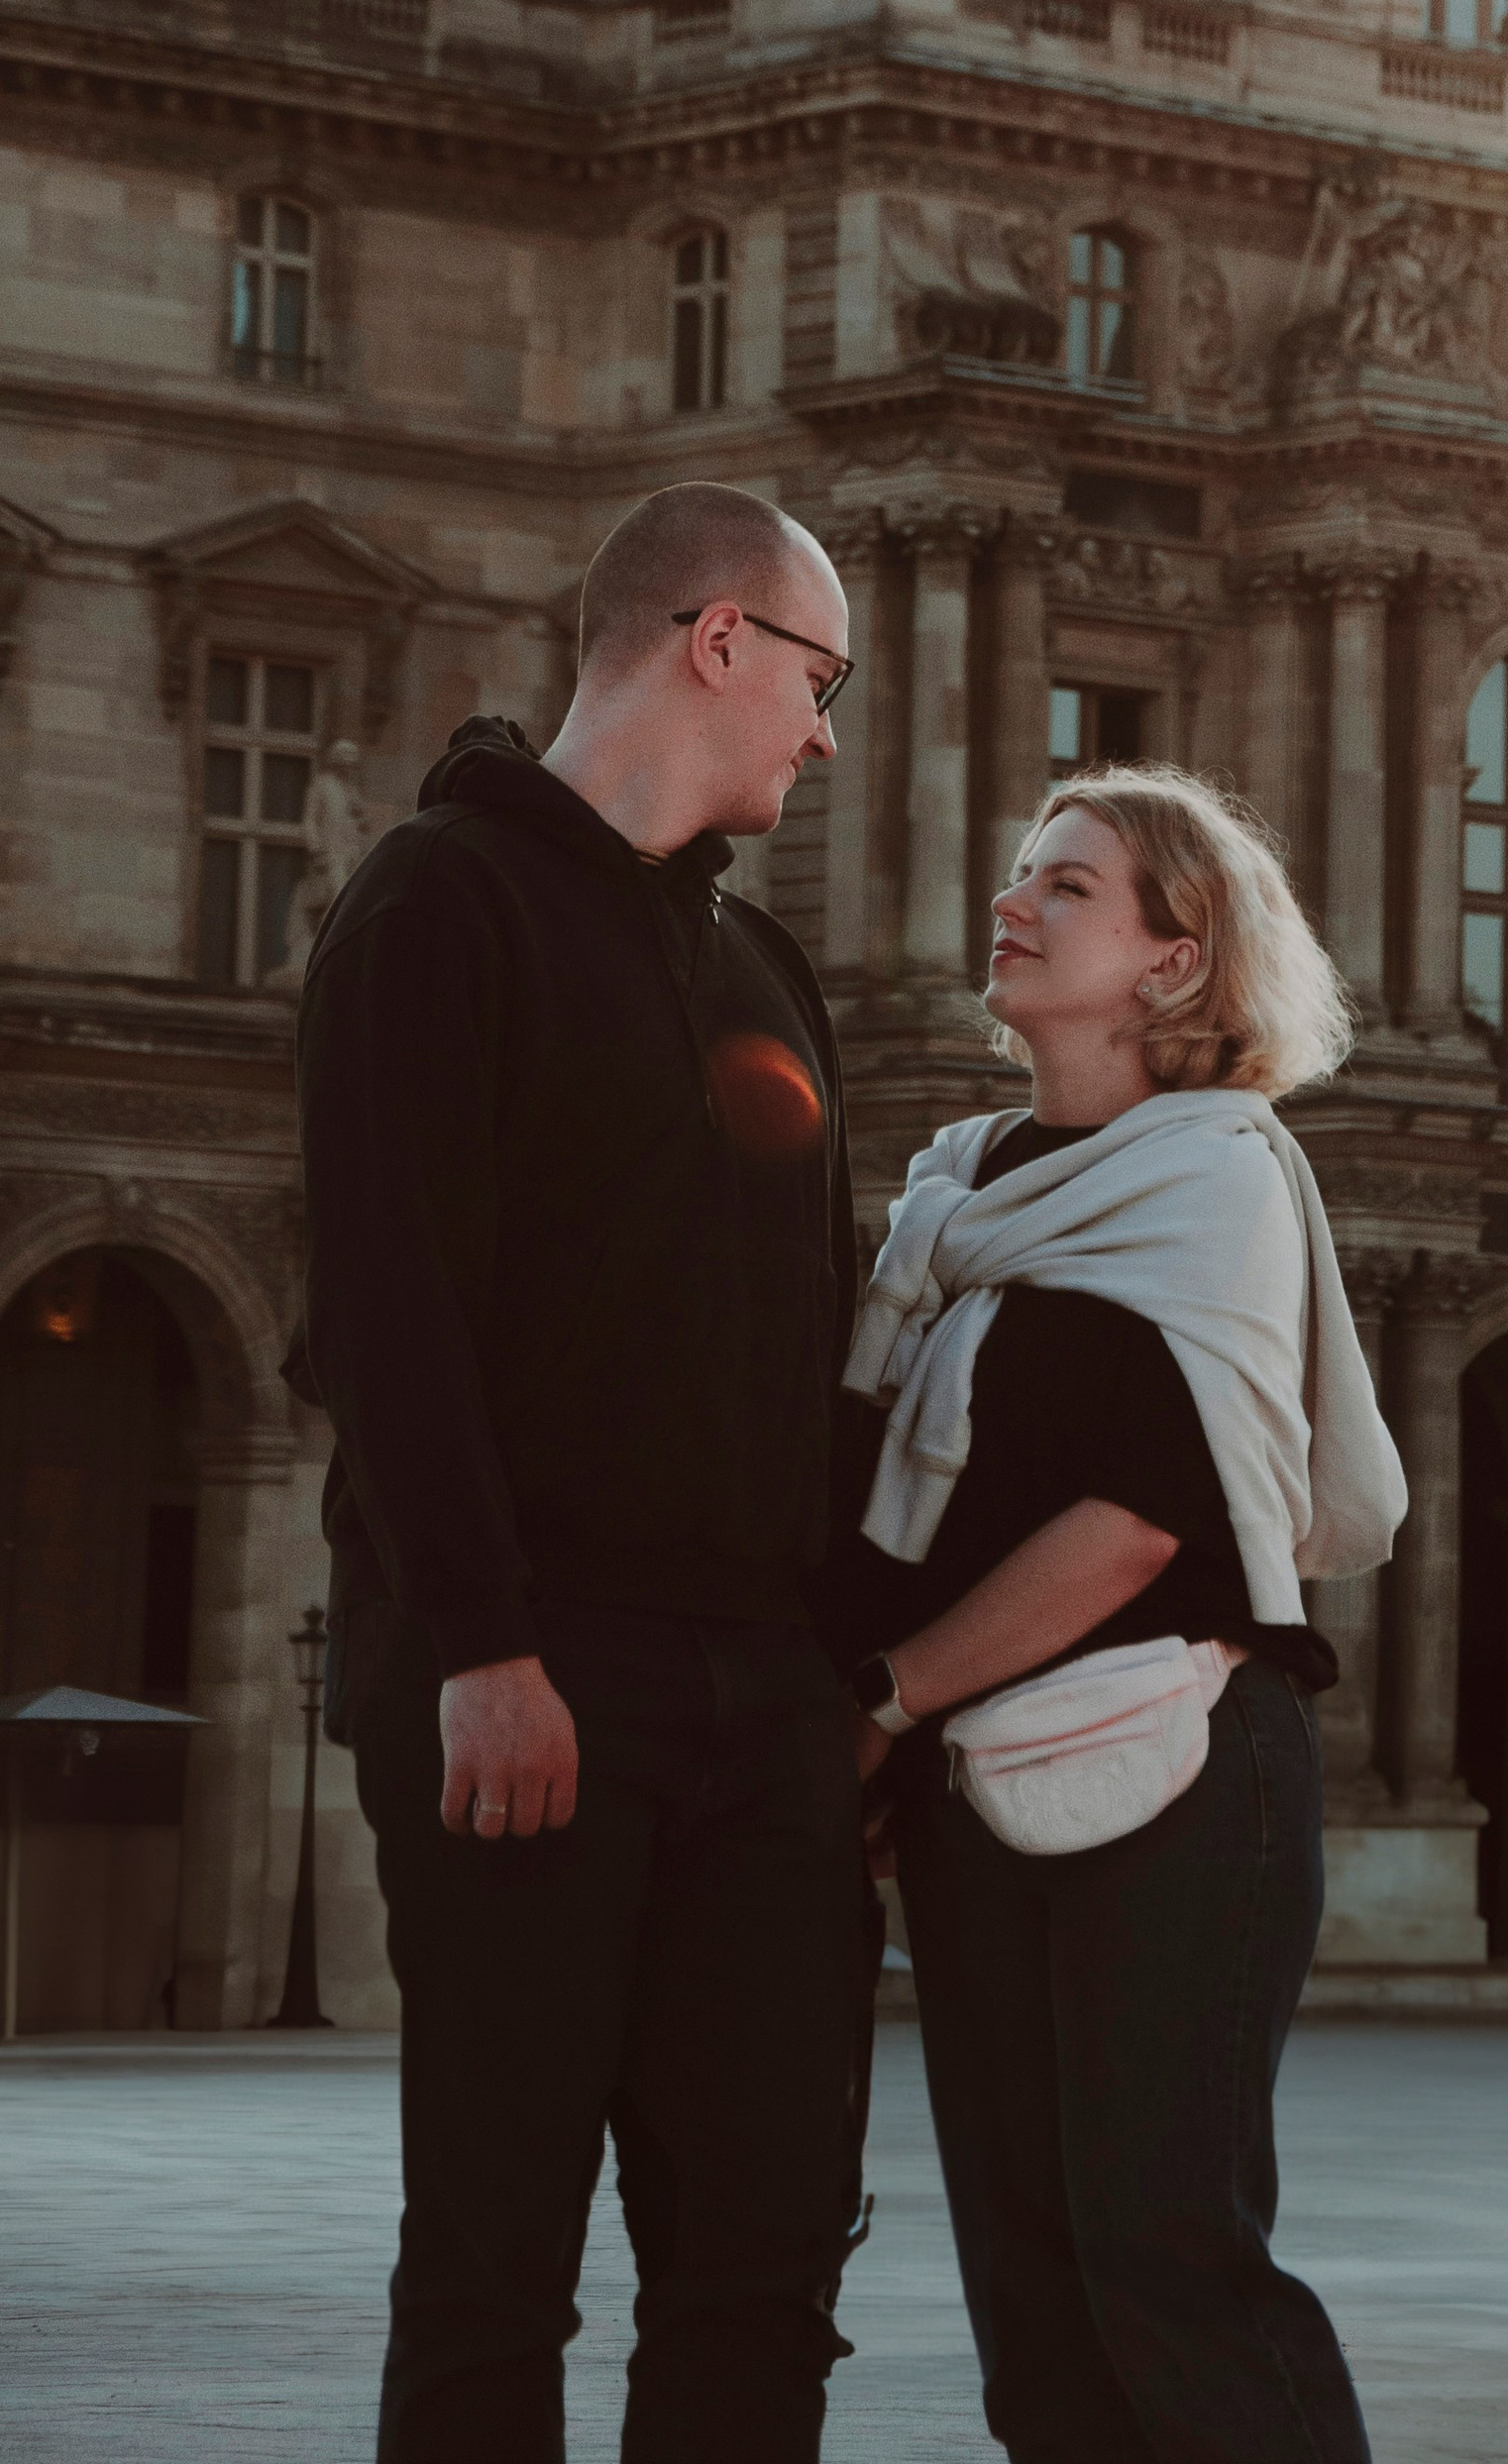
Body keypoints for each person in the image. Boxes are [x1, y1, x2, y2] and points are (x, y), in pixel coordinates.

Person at [295, 481, 868, 2464]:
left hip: (763, 1712)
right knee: (496, 2258)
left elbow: (823, 1357)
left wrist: (846, 1693)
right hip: (527, 1688)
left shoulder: (765, 975)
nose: (825, 730)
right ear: (716, 638)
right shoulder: (431, 903)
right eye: (821, 677)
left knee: (765, 2258)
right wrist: (484, 1638)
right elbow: (384, 1309)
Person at [837, 763, 1405, 2464]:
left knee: (1169, 2262)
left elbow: (1141, 1525)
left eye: (1066, 885)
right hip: (971, 1780)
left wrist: (874, 1703)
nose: (1011, 902)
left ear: (1177, 959)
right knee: (1031, 2281)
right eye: (1018, 873)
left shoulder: (1214, 1176)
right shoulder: (956, 1186)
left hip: (1178, 1778)